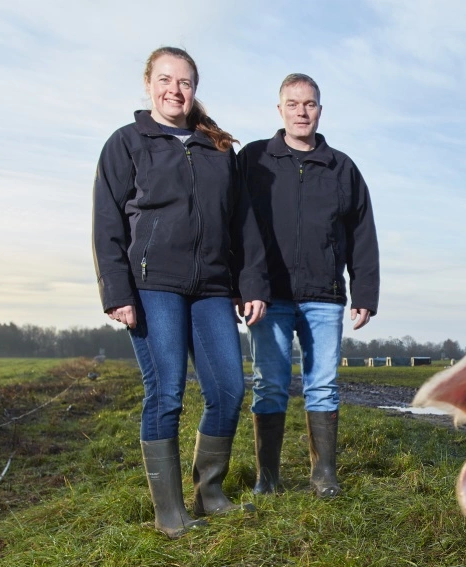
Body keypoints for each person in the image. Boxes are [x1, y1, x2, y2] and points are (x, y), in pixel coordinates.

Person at [92, 46, 267, 539]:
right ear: (149, 83)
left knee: (229, 390)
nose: (175, 89)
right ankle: (169, 511)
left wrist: (249, 282)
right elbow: (107, 221)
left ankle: (209, 492)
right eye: (166, 79)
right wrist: (117, 291)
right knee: (166, 393)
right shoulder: (127, 143)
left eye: (185, 82)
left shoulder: (218, 149)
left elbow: (243, 224)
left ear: (195, 89)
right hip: (152, 287)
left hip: (213, 286)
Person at [237, 73, 380, 498]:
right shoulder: (255, 159)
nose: (302, 111)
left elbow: (362, 233)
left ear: (320, 109)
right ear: (279, 109)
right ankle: (269, 477)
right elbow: (236, 226)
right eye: (293, 103)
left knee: (322, 383)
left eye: (310, 104)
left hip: (324, 296)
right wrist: (242, 285)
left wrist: (365, 293)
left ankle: (324, 476)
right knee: (270, 382)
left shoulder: (342, 168)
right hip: (268, 295)